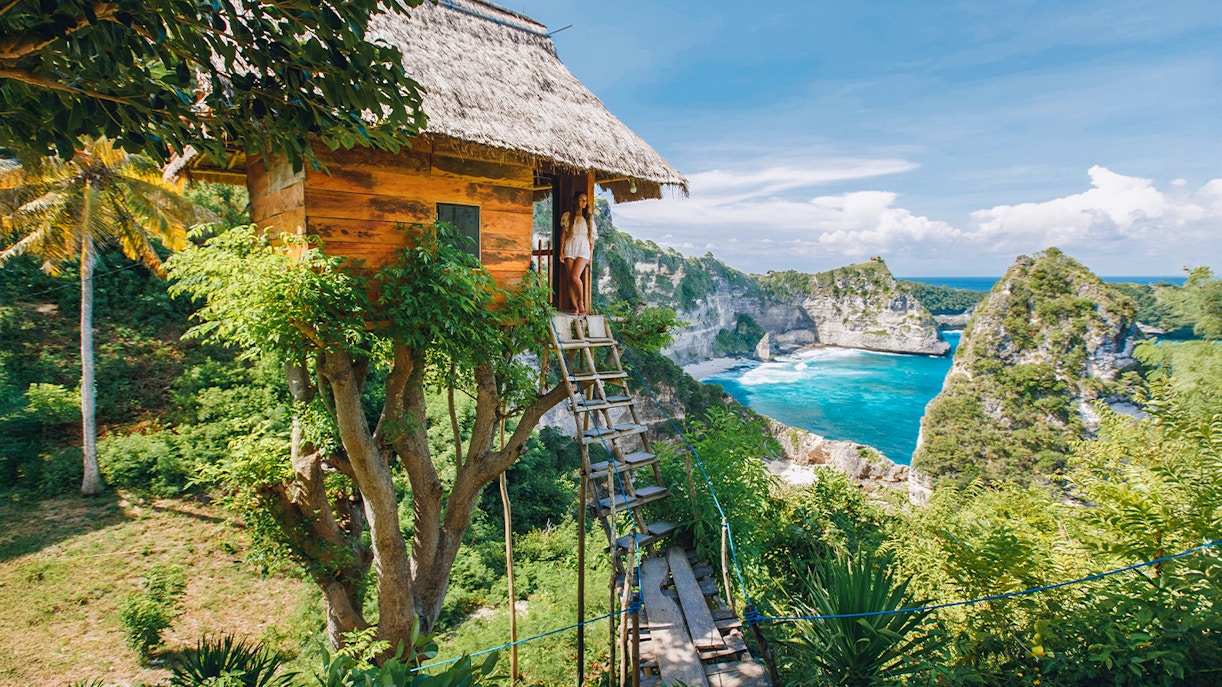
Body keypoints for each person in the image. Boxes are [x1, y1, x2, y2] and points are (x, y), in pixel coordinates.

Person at [559, 191, 596, 316]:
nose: (584, 202)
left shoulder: (588, 217)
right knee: (570, 280)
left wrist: (591, 251)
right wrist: (561, 252)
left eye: (585, 200)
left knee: (575, 276)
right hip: (570, 245)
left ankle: (581, 302)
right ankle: (575, 307)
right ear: (576, 201)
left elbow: (592, 236)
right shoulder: (568, 216)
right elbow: (563, 234)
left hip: (583, 246)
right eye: (581, 199)